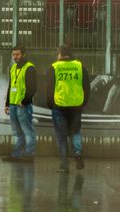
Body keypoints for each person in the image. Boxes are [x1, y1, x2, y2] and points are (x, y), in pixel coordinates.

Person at [47, 44, 89, 174]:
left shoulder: (54, 67)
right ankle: (77, 152)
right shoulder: (80, 66)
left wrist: (51, 104)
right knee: (75, 132)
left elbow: (49, 88)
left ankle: (64, 165)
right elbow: (86, 86)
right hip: (76, 106)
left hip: (59, 106)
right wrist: (83, 102)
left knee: (61, 136)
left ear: (60, 54)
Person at [3, 45, 37, 162]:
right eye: (13, 54)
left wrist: (25, 101)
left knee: (28, 131)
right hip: (13, 105)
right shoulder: (13, 68)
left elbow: (33, 88)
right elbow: (11, 86)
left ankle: (29, 155)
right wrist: (7, 103)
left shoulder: (30, 68)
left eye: (17, 54)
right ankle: (17, 154)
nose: (15, 57)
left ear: (24, 54)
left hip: (23, 105)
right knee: (17, 132)